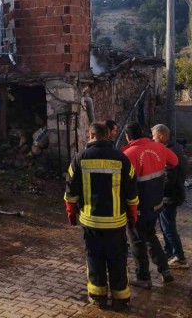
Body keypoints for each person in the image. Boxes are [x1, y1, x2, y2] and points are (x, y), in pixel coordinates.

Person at [64, 122, 139, 311]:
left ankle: (98, 298)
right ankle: (121, 299)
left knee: (94, 258)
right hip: (116, 222)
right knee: (117, 259)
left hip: (91, 222)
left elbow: (70, 193)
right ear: (108, 136)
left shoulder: (79, 158)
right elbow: (132, 191)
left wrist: (71, 214)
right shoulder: (122, 158)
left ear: (91, 136)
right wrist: (132, 215)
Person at [121, 122, 178, 288]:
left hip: (137, 206)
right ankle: (164, 270)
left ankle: (143, 277)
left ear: (128, 136)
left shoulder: (128, 154)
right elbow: (174, 162)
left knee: (137, 240)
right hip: (156, 203)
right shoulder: (158, 147)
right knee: (150, 235)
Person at [151, 124, 188, 269]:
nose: (152, 139)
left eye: (154, 136)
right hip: (170, 194)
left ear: (161, 136)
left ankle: (180, 256)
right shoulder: (172, 148)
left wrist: (157, 191)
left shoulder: (169, 151)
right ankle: (169, 251)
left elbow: (169, 177)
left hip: (169, 196)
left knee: (168, 227)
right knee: (165, 225)